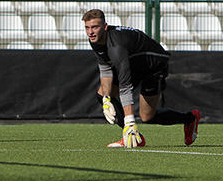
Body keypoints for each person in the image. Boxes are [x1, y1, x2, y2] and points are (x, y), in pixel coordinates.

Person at [82, 9, 201, 148]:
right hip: (134, 63)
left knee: (147, 117)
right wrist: (107, 99)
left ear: (105, 26)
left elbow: (125, 86)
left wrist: (130, 121)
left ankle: (190, 118)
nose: (90, 32)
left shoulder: (117, 46)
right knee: (102, 95)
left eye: (95, 27)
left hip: (154, 65)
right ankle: (132, 137)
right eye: (87, 27)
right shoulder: (95, 39)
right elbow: (105, 69)